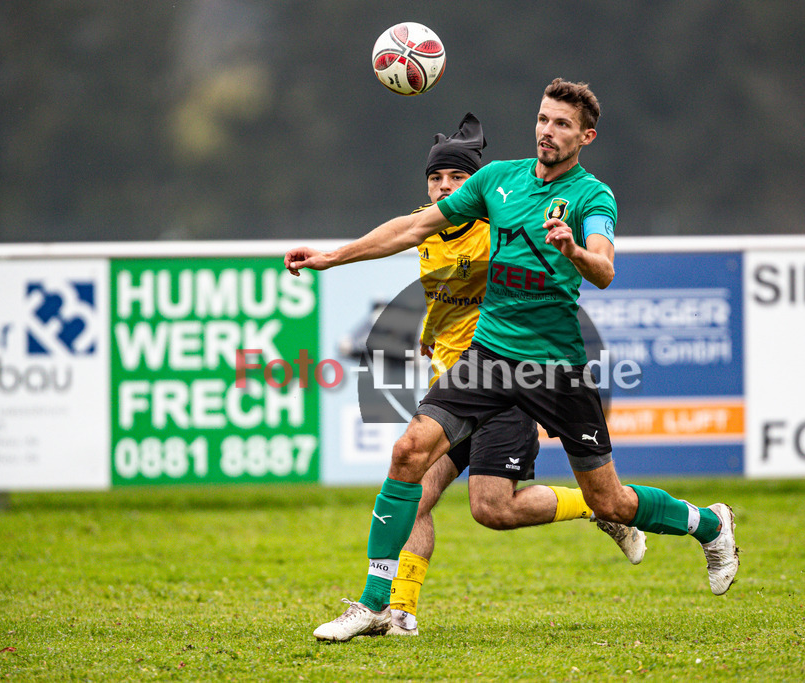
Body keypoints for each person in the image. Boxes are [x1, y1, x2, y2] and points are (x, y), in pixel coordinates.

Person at [286, 78, 740, 643]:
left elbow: (604, 267)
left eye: (563, 125)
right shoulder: (498, 178)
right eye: (544, 119)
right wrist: (333, 257)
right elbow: (414, 226)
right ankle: (377, 603)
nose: (549, 131)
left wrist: (573, 249)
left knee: (611, 500)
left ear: (586, 136)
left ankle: (711, 524)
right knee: (408, 452)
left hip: (554, 369)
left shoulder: (592, 198)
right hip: (490, 356)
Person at [386, 112, 646, 637]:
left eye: (457, 179)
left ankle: (599, 509)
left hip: (504, 382)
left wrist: (571, 248)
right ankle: (400, 614)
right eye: (436, 178)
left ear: (476, 187)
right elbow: (440, 288)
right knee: (414, 488)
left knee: (491, 508)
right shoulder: (428, 230)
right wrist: (430, 332)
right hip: (456, 384)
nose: (445, 188)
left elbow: (549, 259)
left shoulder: (496, 226)